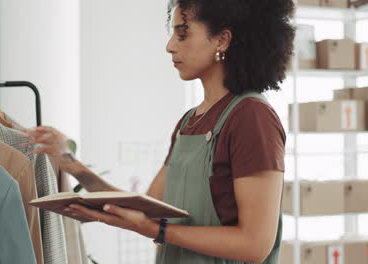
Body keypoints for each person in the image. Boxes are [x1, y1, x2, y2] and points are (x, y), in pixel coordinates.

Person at [27, 0, 295, 263]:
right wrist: (71, 165)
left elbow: (255, 244)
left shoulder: (252, 118)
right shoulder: (189, 122)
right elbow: (147, 209)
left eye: (182, 34)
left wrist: (158, 230)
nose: (169, 46)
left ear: (221, 40)